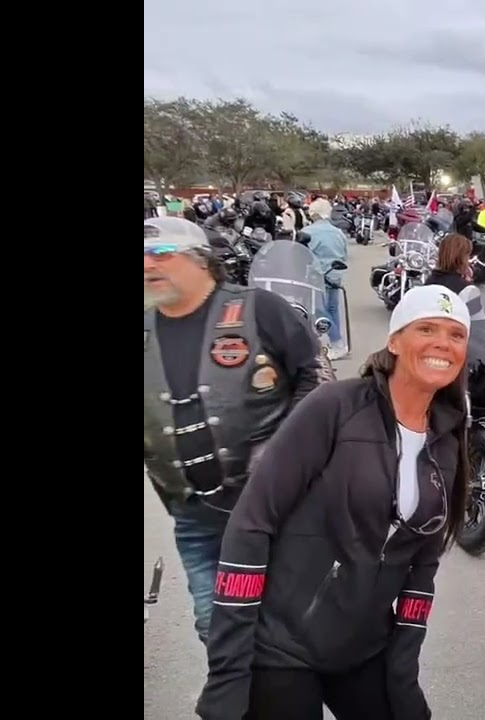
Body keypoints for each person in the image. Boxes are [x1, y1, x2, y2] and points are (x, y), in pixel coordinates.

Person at [196, 285, 474, 720]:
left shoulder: (447, 438)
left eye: (456, 334)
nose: (443, 342)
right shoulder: (336, 406)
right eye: (427, 328)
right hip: (283, 643)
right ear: (395, 341)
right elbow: (252, 522)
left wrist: (403, 676)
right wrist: (228, 675)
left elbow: (423, 565)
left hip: (364, 647)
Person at [144, 217, 324, 645]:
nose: (147, 265)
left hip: (277, 508)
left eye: (159, 254)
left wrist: (286, 454)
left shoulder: (260, 309)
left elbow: (314, 380)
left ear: (200, 259)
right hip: (193, 515)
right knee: (217, 627)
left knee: (293, 620)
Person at [301, 203, 350, 360]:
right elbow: (344, 253)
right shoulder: (338, 232)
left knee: (319, 311)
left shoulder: (308, 232)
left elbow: (301, 254)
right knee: (332, 309)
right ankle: (337, 342)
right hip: (335, 274)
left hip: (317, 275)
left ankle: (337, 343)